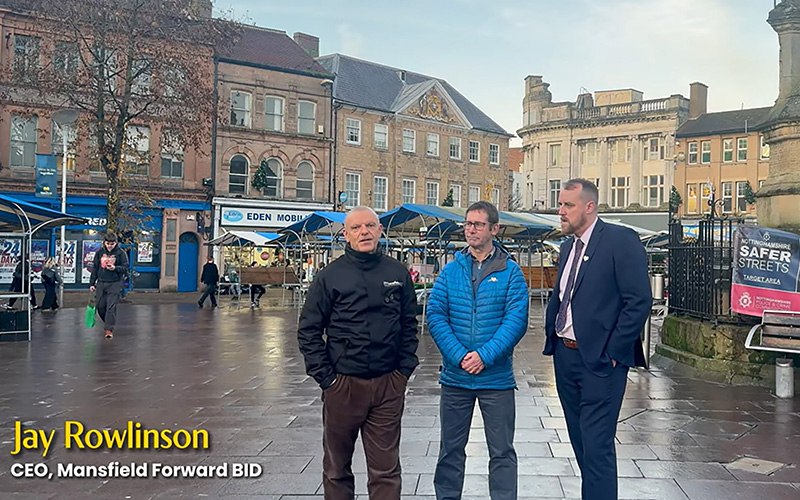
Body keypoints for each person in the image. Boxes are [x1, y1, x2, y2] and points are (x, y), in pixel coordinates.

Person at [298, 206, 419, 500]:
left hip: (388, 385)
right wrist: (328, 380)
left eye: (370, 226)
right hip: (343, 386)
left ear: (380, 230)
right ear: (346, 235)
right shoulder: (329, 277)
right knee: (337, 469)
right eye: (356, 228)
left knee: (386, 471)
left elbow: (409, 324)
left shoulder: (397, 272)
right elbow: (309, 330)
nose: (364, 232)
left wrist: (403, 372)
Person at [544, 179, 651, 500]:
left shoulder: (620, 240)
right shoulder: (567, 247)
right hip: (566, 357)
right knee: (580, 442)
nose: (560, 211)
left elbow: (639, 301)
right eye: (560, 204)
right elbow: (564, 297)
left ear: (589, 207)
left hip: (602, 362)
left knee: (598, 445)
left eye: (568, 205)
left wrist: (615, 352)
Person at [426, 201, 529, 500]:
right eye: (468, 224)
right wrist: (459, 356)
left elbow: (516, 321)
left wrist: (484, 356)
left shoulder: (511, 273)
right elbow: (436, 314)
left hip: (495, 379)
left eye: (478, 224)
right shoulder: (450, 271)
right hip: (456, 379)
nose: (470, 229)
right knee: (450, 450)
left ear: (494, 229)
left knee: (502, 452)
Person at [89, 232, 129, 339]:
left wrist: (115, 268)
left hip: (115, 282)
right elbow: (95, 268)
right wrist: (92, 283)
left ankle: (108, 329)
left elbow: (125, 268)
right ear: (104, 243)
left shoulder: (121, 253)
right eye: (108, 243)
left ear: (116, 243)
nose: (110, 246)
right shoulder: (99, 253)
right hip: (101, 282)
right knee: (100, 306)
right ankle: (107, 322)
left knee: (111, 306)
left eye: (112, 244)